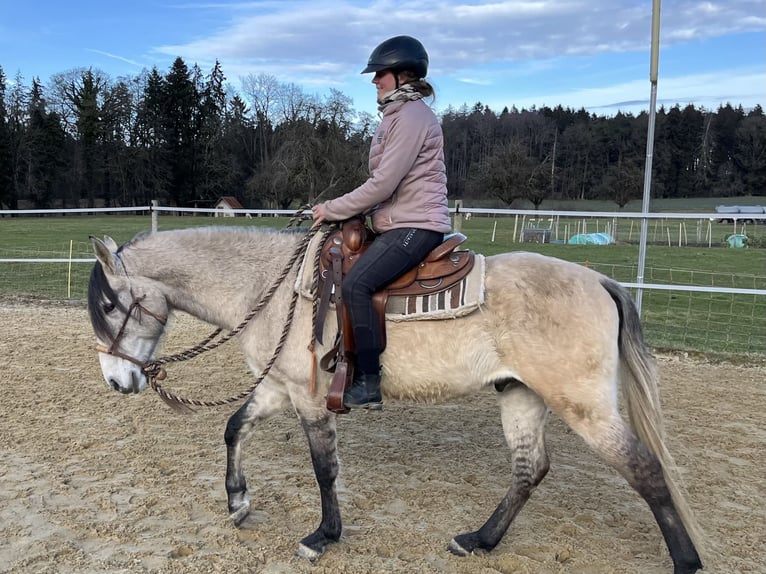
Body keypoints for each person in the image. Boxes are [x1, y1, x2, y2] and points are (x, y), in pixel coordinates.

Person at [312, 35, 451, 410]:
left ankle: (370, 380)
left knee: (358, 284)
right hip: (401, 220)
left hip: (417, 225)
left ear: (402, 76)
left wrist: (334, 208)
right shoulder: (398, 115)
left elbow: (384, 183)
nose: (374, 80)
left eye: (380, 74)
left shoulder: (411, 116)